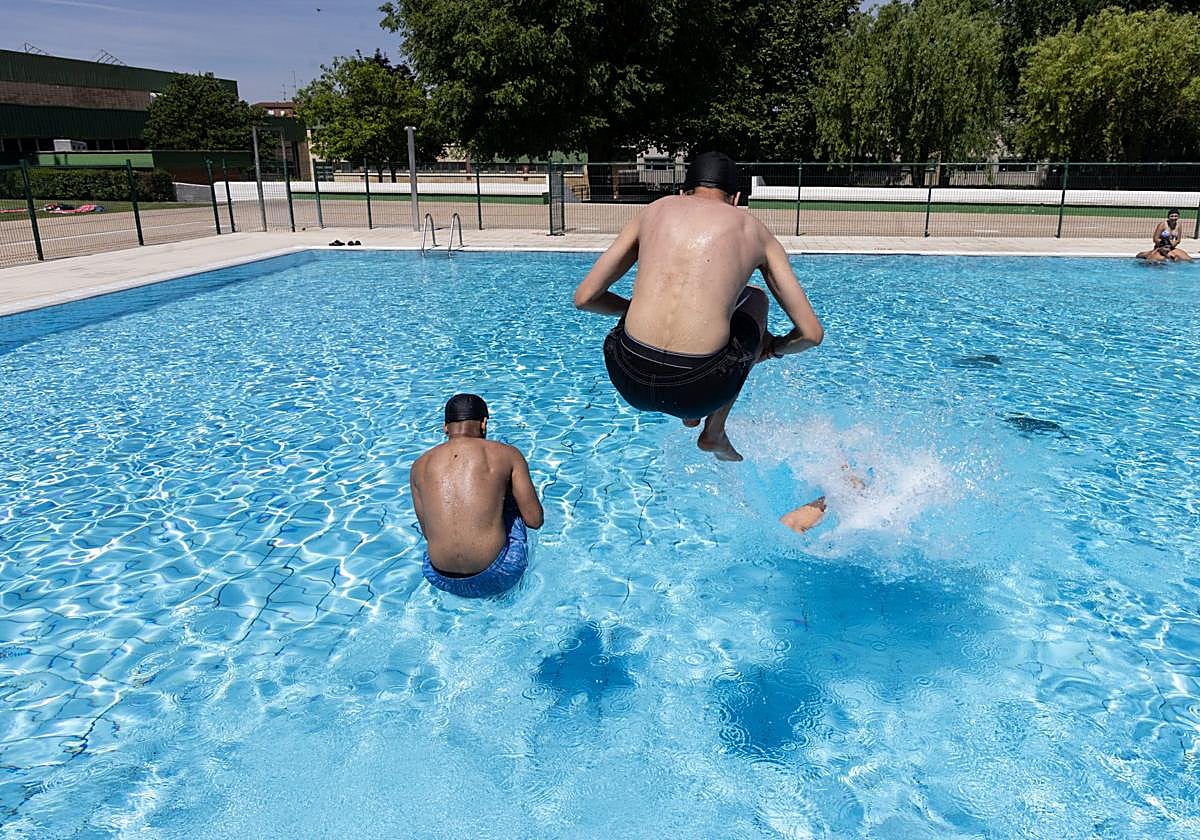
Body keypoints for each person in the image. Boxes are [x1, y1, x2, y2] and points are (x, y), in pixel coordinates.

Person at [573, 151, 825, 462]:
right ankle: (713, 429)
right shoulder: (754, 231)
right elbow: (811, 334)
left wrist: (631, 310)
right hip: (700, 392)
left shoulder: (654, 211)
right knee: (755, 299)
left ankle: (691, 415)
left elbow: (585, 298)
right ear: (736, 199)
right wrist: (771, 349)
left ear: (682, 192)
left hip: (627, 376)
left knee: (642, 314)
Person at [409, 394, 544, 598]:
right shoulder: (507, 453)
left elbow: (428, 533)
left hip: (440, 577)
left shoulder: (419, 465)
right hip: (500, 573)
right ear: (484, 423)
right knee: (509, 499)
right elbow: (534, 520)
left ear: (445, 427)